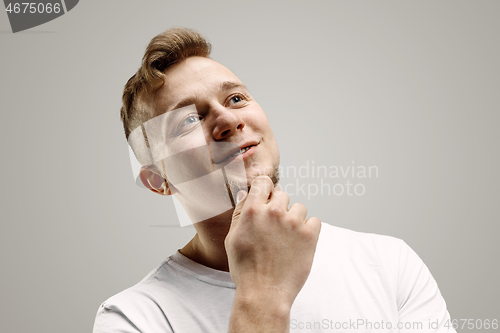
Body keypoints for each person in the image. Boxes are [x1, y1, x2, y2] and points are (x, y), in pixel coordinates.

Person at [93, 27, 456, 332]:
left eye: (235, 98)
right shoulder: (134, 318)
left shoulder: (389, 264)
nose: (228, 121)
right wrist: (262, 296)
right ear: (159, 180)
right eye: (189, 120)